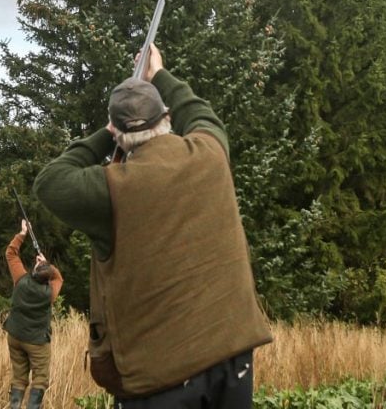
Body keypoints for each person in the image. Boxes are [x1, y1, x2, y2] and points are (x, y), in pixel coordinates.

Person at [33, 44, 273, 408]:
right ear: (166, 116)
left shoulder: (111, 188)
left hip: (160, 382)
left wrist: (106, 132)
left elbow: (49, 183)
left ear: (118, 133)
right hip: (232, 363)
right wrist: (159, 73)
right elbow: (200, 112)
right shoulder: (209, 153)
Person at [3, 219, 64, 409]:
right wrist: (47, 265)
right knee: (40, 379)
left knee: (19, 377)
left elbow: (10, 253)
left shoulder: (20, 279)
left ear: (34, 270)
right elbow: (58, 277)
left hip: (15, 336)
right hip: (37, 341)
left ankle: (14, 407)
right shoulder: (50, 293)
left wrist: (22, 233)